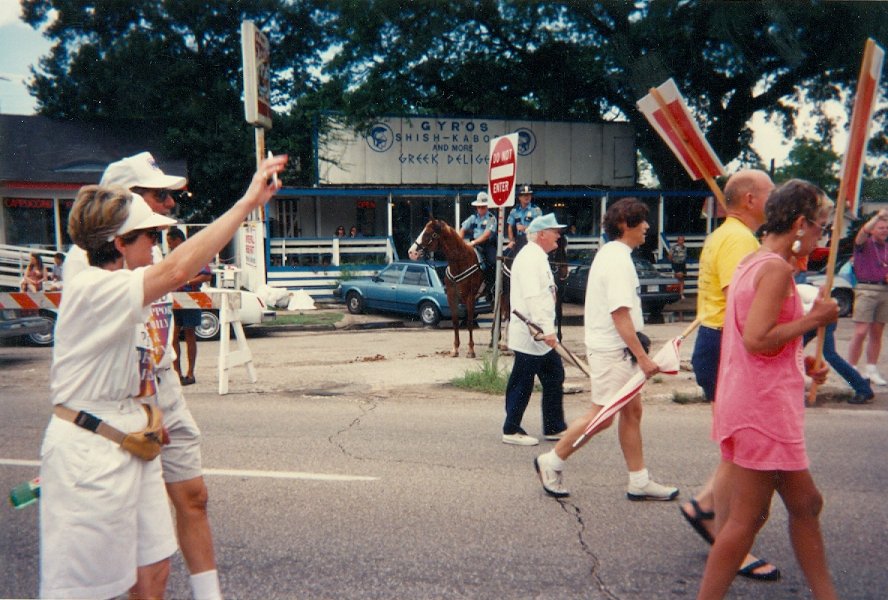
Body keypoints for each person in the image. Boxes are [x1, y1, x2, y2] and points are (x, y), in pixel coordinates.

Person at [39, 154, 286, 599]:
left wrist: (149, 411)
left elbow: (139, 352)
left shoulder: (122, 275)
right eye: (151, 235)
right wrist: (247, 203)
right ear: (119, 242)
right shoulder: (93, 284)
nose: (158, 243)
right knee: (86, 589)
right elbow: (176, 270)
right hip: (91, 445)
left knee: (153, 570)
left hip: (133, 431)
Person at [66, 151, 223, 599]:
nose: (169, 204)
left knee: (193, 496)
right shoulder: (88, 261)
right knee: (140, 539)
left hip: (162, 381)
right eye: (159, 195)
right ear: (124, 199)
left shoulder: (148, 244)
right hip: (126, 398)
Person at [697, 179, 839, 599]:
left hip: (754, 403)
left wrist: (801, 360)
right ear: (800, 224)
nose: (820, 237)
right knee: (747, 519)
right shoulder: (775, 269)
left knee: (805, 503)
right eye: (820, 227)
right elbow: (757, 339)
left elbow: (755, 336)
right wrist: (814, 320)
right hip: (764, 412)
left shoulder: (752, 261)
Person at [534, 198, 678, 501]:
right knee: (602, 415)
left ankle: (639, 480)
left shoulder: (615, 255)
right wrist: (643, 357)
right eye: (642, 221)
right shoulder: (617, 260)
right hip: (614, 351)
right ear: (625, 224)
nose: (647, 227)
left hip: (616, 349)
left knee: (632, 412)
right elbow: (620, 314)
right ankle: (552, 460)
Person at [682, 169, 779, 581]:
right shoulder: (739, 239)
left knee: (738, 447)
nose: (775, 200)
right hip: (726, 343)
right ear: (750, 199)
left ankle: (706, 508)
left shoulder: (729, 234)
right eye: (771, 193)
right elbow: (742, 304)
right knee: (743, 450)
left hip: (718, 341)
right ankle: (726, 536)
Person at [501, 213, 568, 446]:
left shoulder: (538, 256)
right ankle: (511, 429)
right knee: (522, 382)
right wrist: (547, 330)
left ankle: (554, 427)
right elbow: (533, 297)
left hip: (540, 335)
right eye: (555, 231)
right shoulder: (530, 258)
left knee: (554, 375)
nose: (558, 235)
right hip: (531, 333)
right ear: (541, 234)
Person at [845, 209, 888, 386]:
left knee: (877, 332)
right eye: (881, 227)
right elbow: (862, 233)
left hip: (884, 290)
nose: (884, 230)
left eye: (886, 228)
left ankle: (871, 368)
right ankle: (851, 368)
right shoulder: (864, 244)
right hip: (866, 289)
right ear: (873, 229)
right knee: (860, 331)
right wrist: (877, 216)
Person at [167, 228, 213, 386]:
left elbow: (206, 275)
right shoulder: (172, 257)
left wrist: (187, 282)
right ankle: (177, 372)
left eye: (170, 242)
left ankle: (190, 373)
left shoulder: (194, 253)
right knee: (173, 335)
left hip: (190, 296)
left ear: (178, 240)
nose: (169, 246)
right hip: (174, 297)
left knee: (189, 333)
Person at [459, 191, 497, 297]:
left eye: (482, 207)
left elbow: (486, 235)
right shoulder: (473, 218)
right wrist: (459, 242)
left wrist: (473, 242)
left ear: (487, 206)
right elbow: (462, 229)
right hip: (473, 244)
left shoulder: (491, 218)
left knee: (493, 263)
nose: (480, 209)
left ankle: (491, 288)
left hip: (487, 245)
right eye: (478, 207)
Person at [506, 184, 542, 255]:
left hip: (532, 240)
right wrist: (511, 240)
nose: (527, 197)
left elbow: (539, 227)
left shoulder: (536, 210)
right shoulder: (514, 211)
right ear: (519, 197)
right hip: (519, 240)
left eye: (528, 195)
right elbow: (510, 226)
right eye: (524, 195)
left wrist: (525, 228)